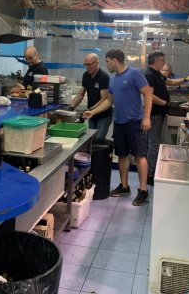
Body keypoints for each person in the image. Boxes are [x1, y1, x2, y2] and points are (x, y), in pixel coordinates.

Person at [83, 49, 152, 206]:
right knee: (122, 155)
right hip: (119, 122)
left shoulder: (134, 74)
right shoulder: (113, 80)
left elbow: (148, 94)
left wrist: (147, 117)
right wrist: (93, 112)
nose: (106, 64)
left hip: (135, 122)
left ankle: (143, 191)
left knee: (140, 156)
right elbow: (109, 101)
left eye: (107, 61)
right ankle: (124, 186)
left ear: (114, 60)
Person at [71, 53, 113, 142]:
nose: (87, 67)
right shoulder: (86, 75)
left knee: (98, 139)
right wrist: (72, 107)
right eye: (85, 65)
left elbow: (104, 99)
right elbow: (81, 94)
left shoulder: (103, 77)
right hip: (92, 116)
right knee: (91, 140)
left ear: (97, 63)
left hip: (104, 116)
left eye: (90, 65)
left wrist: (90, 110)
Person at [144, 51, 170, 185]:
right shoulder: (149, 75)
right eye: (163, 60)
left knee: (154, 143)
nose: (164, 63)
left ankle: (152, 172)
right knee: (153, 144)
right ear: (156, 61)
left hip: (159, 114)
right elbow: (149, 95)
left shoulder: (157, 74)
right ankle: (150, 174)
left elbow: (170, 81)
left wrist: (185, 80)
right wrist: (165, 103)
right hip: (154, 114)